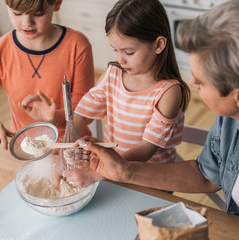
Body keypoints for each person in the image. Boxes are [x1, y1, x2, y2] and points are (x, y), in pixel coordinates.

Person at [62, 0, 239, 238]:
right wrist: (122, 171)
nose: (193, 86)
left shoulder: (172, 92)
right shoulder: (230, 120)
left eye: (202, 81)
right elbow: (207, 175)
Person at [28, 0, 190, 185]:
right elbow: (82, 114)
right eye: (115, 50)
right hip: (108, 172)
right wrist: (65, 152)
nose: (120, 59)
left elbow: (147, 149)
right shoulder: (113, 75)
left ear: (159, 44)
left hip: (149, 179)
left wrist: (103, 172)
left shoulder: (169, 93)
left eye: (129, 52)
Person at [0, 0, 94, 150]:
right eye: (17, 13)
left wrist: (56, 118)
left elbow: (86, 113)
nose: (27, 23)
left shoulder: (77, 45)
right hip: (25, 148)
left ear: (57, 4)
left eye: (38, 14)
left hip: (71, 146)